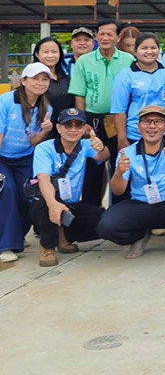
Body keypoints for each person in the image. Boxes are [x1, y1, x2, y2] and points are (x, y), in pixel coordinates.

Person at [96, 106, 165, 258]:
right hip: (140, 205)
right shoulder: (128, 152)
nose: (152, 126)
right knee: (106, 226)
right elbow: (117, 191)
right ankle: (139, 237)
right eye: (146, 122)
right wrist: (119, 173)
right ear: (138, 127)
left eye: (158, 121)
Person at [30, 108, 110, 267]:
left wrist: (100, 147)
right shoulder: (44, 148)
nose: (73, 129)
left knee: (107, 222)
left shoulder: (86, 145)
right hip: (45, 203)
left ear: (84, 128)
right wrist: (53, 205)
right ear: (58, 128)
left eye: (78, 125)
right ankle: (47, 245)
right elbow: (43, 179)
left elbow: (105, 156)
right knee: (47, 200)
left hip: (71, 204)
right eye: (68, 125)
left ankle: (64, 234)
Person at [68, 19, 134, 205]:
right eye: (101, 34)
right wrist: (82, 122)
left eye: (110, 34)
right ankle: (91, 212)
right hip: (92, 119)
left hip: (119, 120)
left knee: (120, 163)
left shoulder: (128, 60)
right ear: (97, 36)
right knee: (92, 165)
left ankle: (119, 210)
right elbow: (79, 93)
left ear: (118, 37)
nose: (105, 38)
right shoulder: (84, 61)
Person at [0, 63, 53, 263]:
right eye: (35, 78)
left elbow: (32, 141)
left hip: (24, 157)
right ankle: (5, 245)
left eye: (45, 79)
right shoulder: (5, 102)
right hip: (2, 157)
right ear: (24, 81)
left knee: (28, 194)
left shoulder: (46, 107)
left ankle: (16, 237)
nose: (40, 83)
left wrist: (46, 130)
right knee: (8, 190)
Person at [110, 33, 165, 153]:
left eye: (153, 48)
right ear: (135, 51)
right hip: (135, 135)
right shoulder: (125, 76)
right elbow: (119, 110)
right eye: (144, 48)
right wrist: (122, 139)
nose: (149, 52)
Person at [33, 36, 74, 119]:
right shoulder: (31, 78)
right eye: (45, 52)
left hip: (67, 127)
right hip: (42, 126)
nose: (50, 55)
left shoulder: (66, 77)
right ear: (37, 54)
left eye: (54, 51)